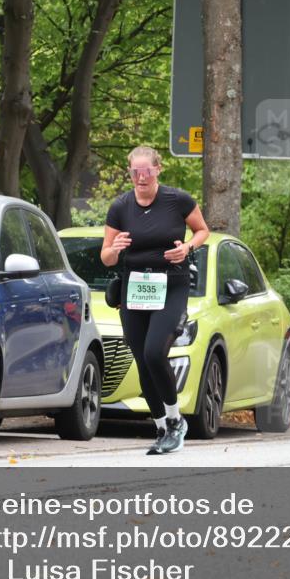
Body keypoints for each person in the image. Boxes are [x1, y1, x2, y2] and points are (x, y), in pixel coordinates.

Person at [101, 146, 210, 454]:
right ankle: (162, 428)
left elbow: (203, 231)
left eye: (146, 171)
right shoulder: (120, 207)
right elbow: (106, 257)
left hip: (171, 284)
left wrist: (187, 248)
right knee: (142, 361)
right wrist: (116, 248)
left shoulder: (178, 200)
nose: (141, 177)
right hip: (134, 286)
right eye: (135, 172)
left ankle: (176, 421)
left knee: (153, 353)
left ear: (158, 170)